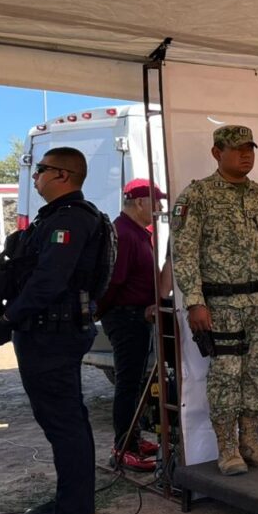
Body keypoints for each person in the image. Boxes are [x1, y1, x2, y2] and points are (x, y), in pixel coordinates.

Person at [0, 147, 114, 514]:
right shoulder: (55, 218)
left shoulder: (71, 219)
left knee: (64, 422)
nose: (35, 176)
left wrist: (4, 325)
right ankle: (72, 501)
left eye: (40, 170)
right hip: (45, 333)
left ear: (62, 175)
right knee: (63, 420)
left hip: (52, 335)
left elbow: (48, 282)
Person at [173, 125, 258, 476]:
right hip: (222, 306)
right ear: (217, 153)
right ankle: (227, 449)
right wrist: (195, 301)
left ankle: (251, 443)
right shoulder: (198, 196)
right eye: (237, 148)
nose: (246, 154)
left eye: (250, 148)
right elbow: (184, 254)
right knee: (226, 376)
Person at [99, 179, 166, 473]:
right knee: (128, 383)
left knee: (136, 381)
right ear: (140, 202)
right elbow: (114, 282)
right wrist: (107, 312)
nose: (159, 207)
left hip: (136, 315)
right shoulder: (124, 234)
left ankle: (134, 439)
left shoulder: (137, 232)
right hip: (126, 316)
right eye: (156, 201)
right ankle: (123, 447)